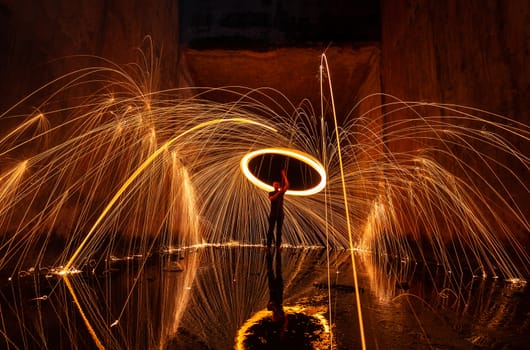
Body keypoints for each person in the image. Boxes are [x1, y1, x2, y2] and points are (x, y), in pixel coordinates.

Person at [267, 169, 289, 250]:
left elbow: (287, 185)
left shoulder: (281, 192)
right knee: (270, 230)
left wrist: (284, 176)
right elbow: (272, 198)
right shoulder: (271, 193)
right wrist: (279, 192)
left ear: (279, 186)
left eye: (277, 184)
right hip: (272, 214)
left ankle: (278, 246)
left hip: (280, 214)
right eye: (275, 184)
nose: (276, 185)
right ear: (273, 185)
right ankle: (268, 246)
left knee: (279, 231)